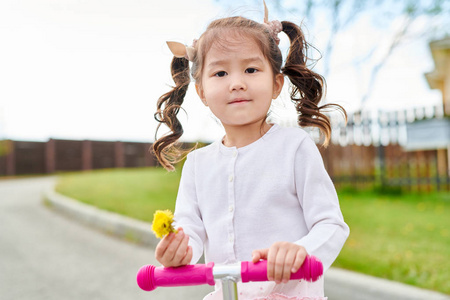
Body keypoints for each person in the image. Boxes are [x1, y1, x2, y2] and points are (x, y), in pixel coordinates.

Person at [152, 2, 349, 299]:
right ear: (202, 91)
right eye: (220, 73)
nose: (237, 83)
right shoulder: (197, 165)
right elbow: (190, 230)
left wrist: (301, 251)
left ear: (276, 83)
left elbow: (331, 225)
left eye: (251, 69)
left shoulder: (295, 149)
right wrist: (180, 251)